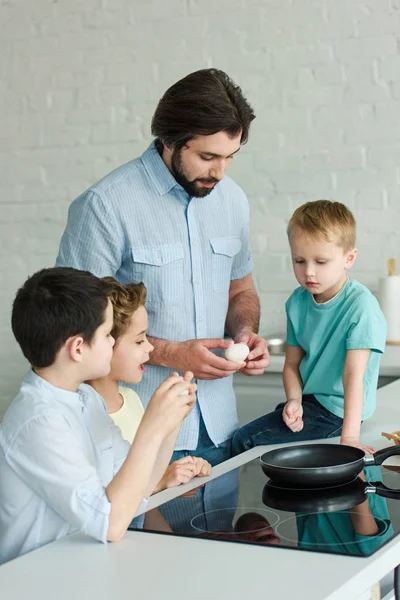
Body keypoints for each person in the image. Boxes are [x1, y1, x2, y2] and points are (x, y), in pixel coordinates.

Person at [56, 68, 270, 466]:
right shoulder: (105, 206)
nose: (220, 172)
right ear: (169, 140)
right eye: (207, 157)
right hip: (131, 434)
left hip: (221, 428)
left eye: (229, 157)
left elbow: (240, 290)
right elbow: (76, 328)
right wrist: (172, 353)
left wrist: (245, 332)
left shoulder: (233, 200)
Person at [0, 267, 196, 564]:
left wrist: (170, 421)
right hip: (36, 581)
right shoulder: (39, 422)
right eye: (107, 334)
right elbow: (110, 524)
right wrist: (152, 429)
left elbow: (138, 488)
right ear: (78, 348)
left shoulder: (86, 399)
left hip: (82, 570)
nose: (112, 343)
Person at [232, 200, 387, 455]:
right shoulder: (297, 302)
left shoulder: (362, 307)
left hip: (338, 411)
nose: (309, 272)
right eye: (299, 261)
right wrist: (294, 400)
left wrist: (349, 438)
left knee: (244, 440)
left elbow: (353, 377)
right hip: (311, 401)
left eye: (321, 262)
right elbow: (292, 364)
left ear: (349, 258)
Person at [87, 277, 211, 493]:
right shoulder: (82, 414)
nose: (150, 348)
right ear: (104, 342)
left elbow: (145, 489)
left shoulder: (132, 400)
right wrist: (161, 482)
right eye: (139, 340)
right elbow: (107, 502)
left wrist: (177, 474)